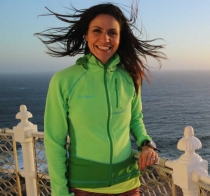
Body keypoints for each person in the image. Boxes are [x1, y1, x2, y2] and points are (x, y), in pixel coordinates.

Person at [36, 3, 166, 196]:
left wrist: (146, 144)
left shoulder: (131, 77)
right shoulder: (64, 80)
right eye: (97, 30)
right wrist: (60, 193)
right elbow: (55, 141)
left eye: (112, 33)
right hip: (83, 187)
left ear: (120, 38)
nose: (105, 38)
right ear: (86, 35)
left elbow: (135, 119)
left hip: (128, 185)